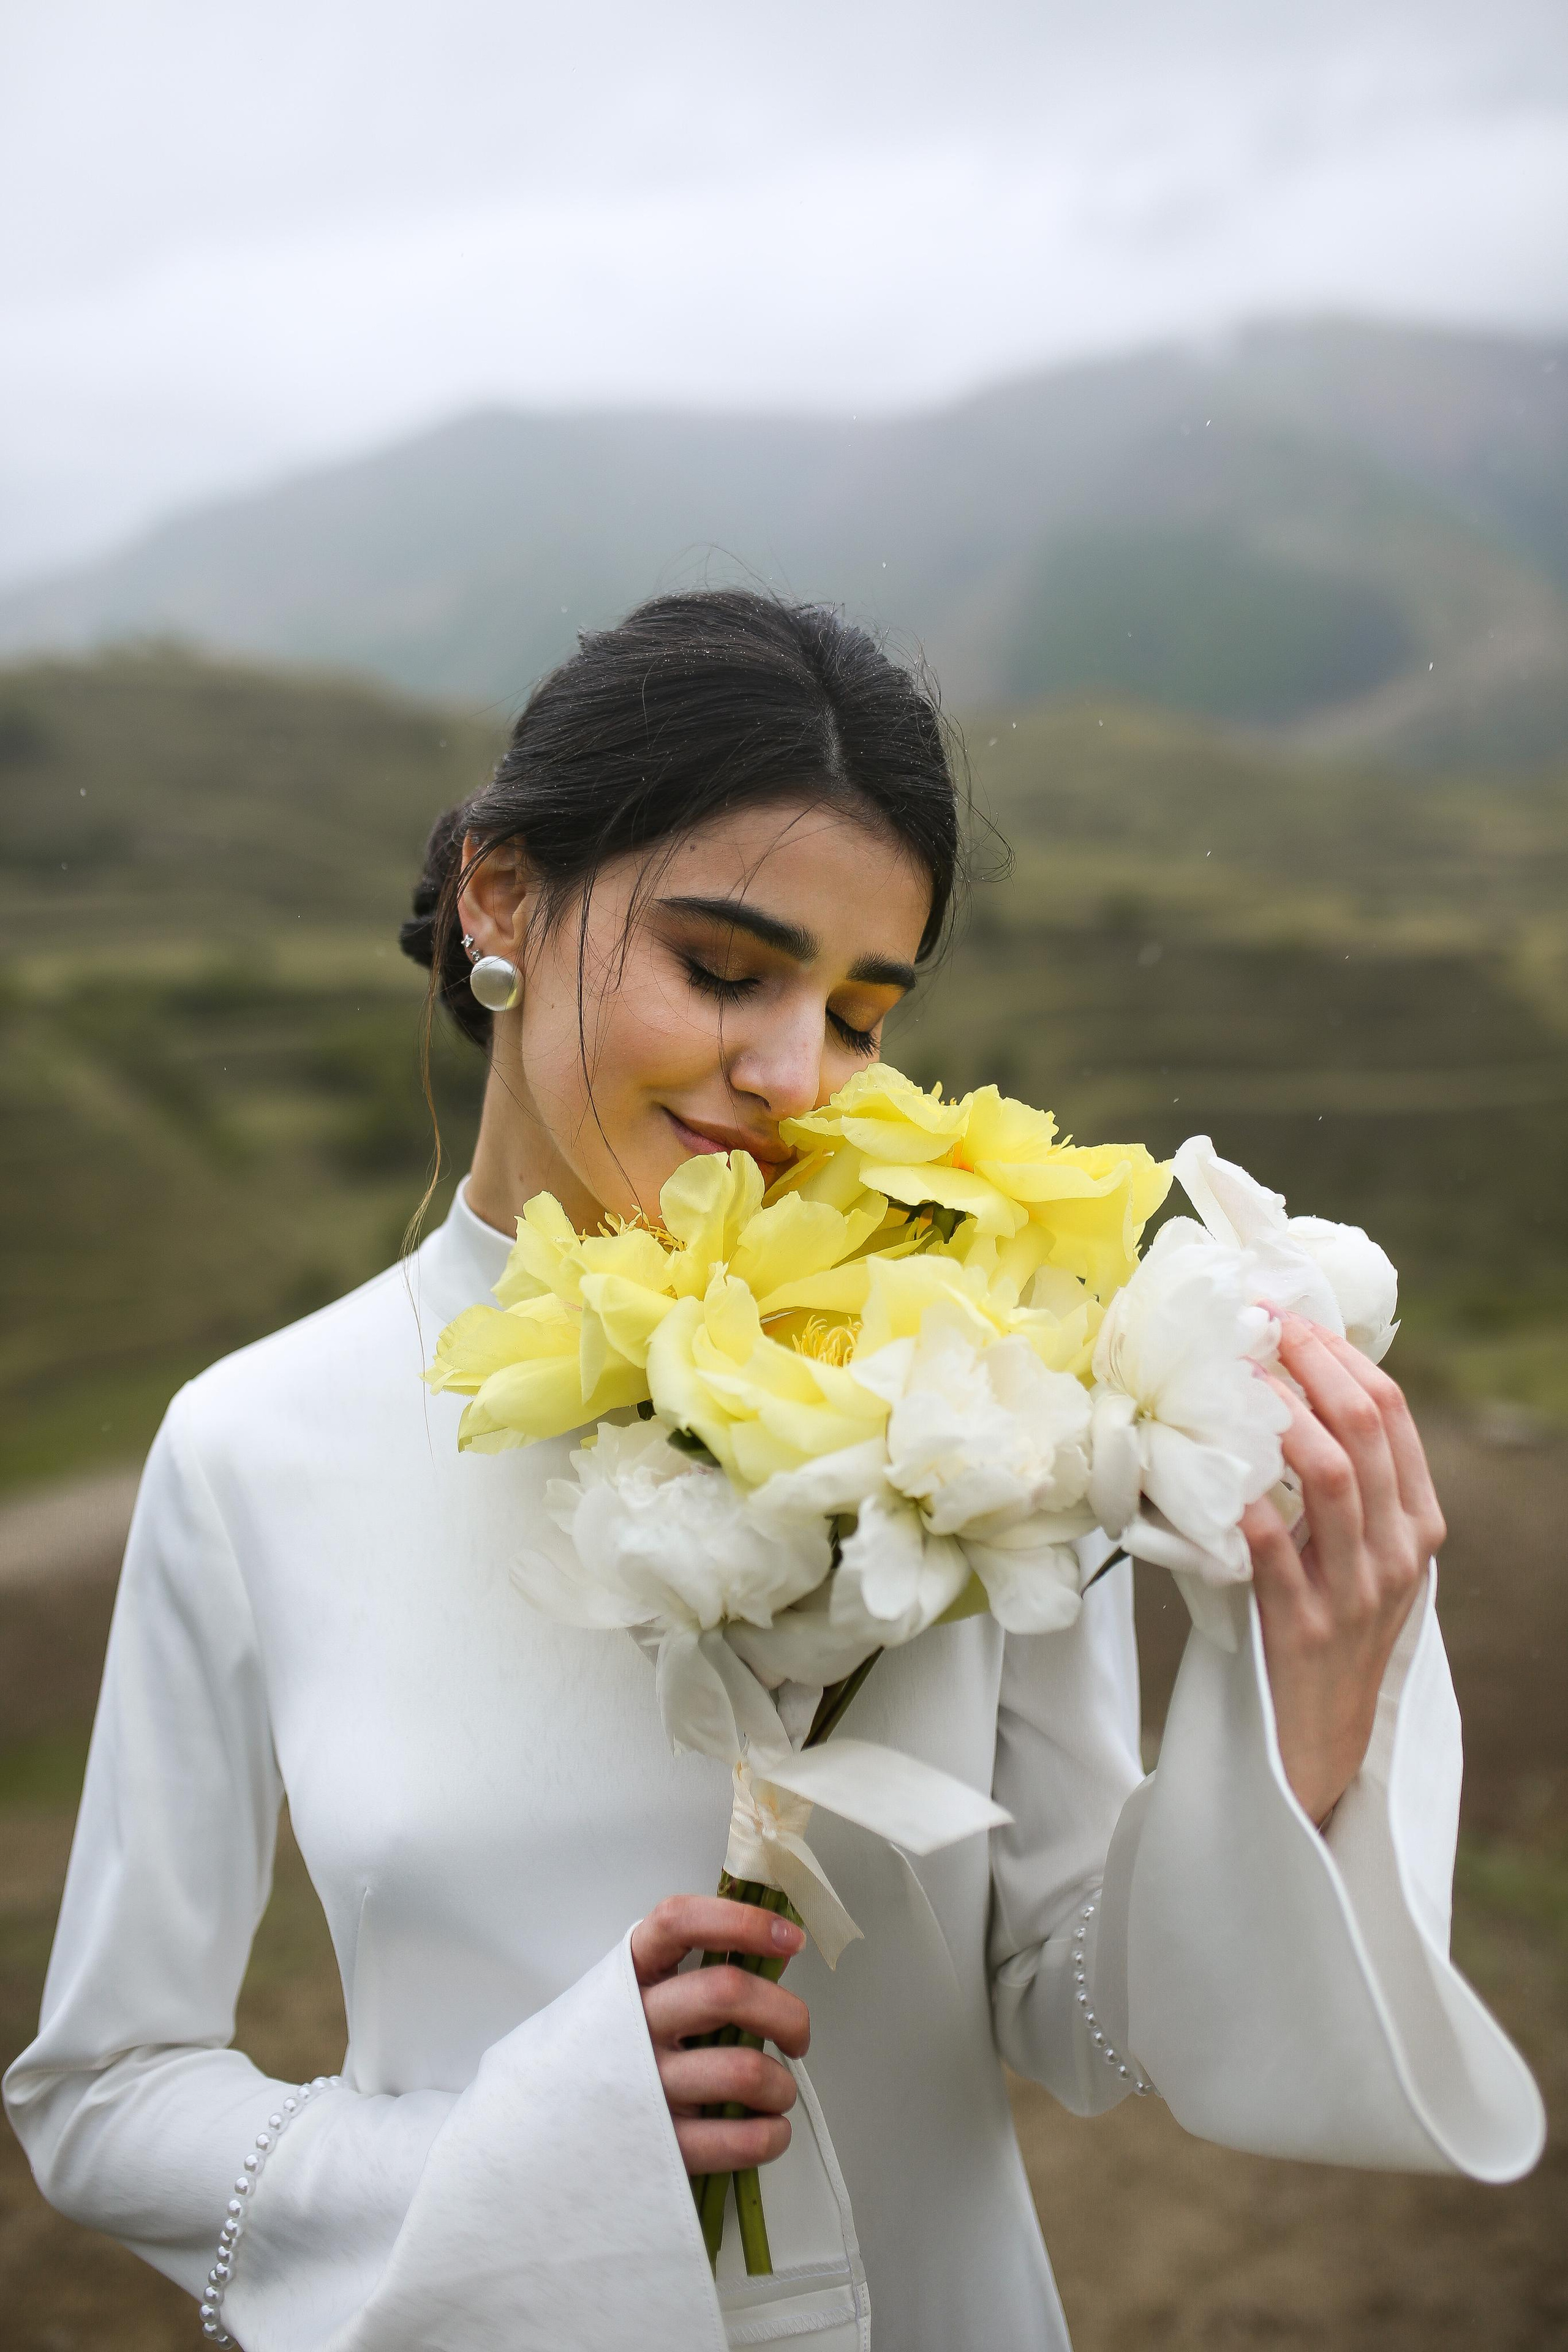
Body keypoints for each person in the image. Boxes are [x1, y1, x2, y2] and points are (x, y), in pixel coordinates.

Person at [4, 591, 1543, 2352]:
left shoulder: (973, 1390)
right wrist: (540, 2151)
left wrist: (1296, 1744)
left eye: (863, 1011)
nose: (793, 1075)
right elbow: (104, 2095)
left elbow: (1073, 2012)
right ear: (503, 898)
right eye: (726, 971)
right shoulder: (254, 1445)